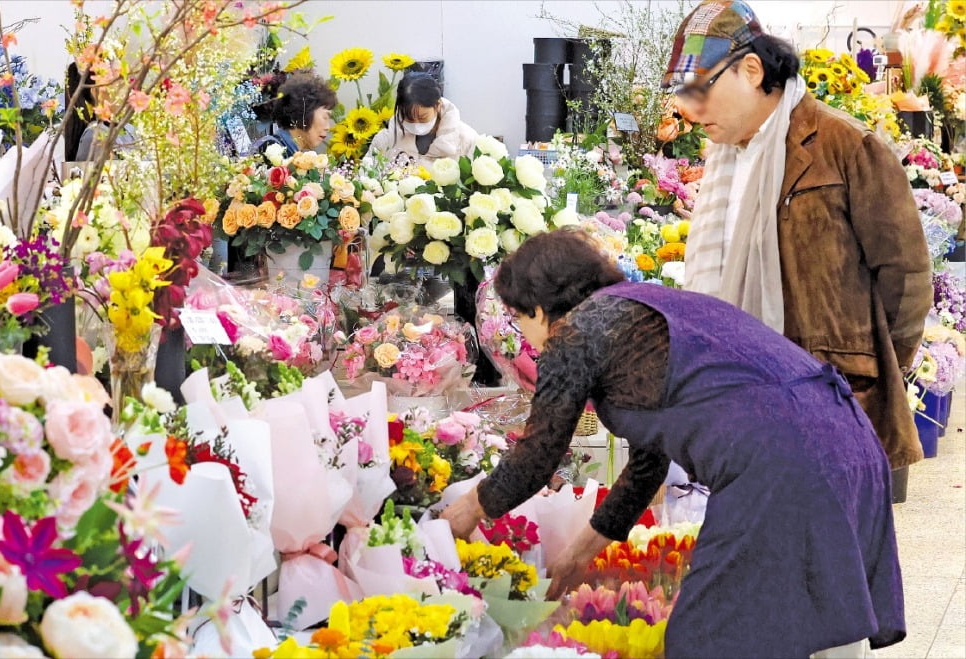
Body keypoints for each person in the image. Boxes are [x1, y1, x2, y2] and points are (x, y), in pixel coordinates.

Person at [440, 229, 905, 657]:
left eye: (521, 318)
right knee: (793, 628)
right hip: (848, 441)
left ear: (539, 309)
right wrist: (578, 556)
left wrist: (460, 515)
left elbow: (538, 456)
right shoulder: (648, 308)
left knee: (707, 638)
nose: (525, 334)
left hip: (778, 464)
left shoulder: (577, 332)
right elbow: (648, 462)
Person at [663, 0, 932, 476]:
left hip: (833, 399)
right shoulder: (724, 162)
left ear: (751, 69)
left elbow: (905, 276)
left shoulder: (845, 146)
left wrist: (870, 369)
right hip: (739, 400)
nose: (689, 108)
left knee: (834, 546)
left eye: (701, 88)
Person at [368, 72, 478, 168]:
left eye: (422, 117)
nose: (416, 124)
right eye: (409, 118)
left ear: (438, 106)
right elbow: (366, 176)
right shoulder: (386, 139)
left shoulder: (466, 139)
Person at [252, 73, 337, 158]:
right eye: (325, 117)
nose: (328, 127)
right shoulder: (270, 149)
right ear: (304, 111)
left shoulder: (293, 154)